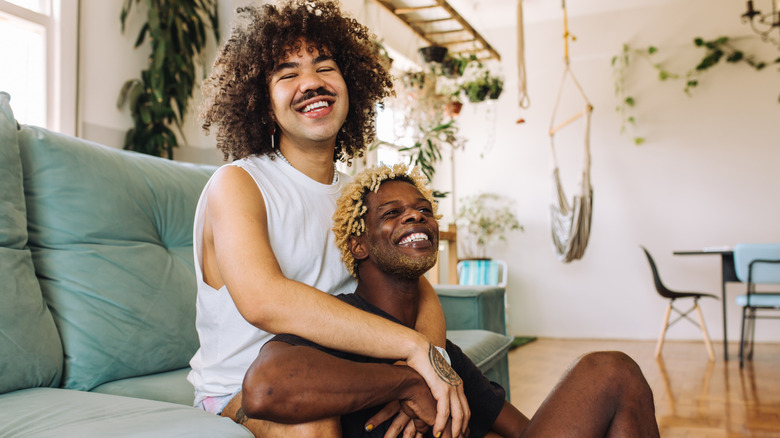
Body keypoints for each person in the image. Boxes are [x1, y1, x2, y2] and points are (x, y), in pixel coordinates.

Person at [187, 1, 467, 436]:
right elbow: (265, 301)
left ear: (350, 83)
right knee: (311, 418)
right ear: (263, 103)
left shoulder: (359, 195)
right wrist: (410, 348)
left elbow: (417, 287)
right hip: (247, 389)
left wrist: (427, 367)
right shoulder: (238, 184)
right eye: (288, 74)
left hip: (345, 377)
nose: (311, 83)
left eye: (325, 67)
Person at [238, 163, 662, 438]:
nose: (416, 215)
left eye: (424, 209)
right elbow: (266, 387)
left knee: (612, 371)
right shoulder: (346, 324)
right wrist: (407, 382)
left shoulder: (440, 354)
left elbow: (526, 431)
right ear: (359, 245)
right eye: (391, 213)